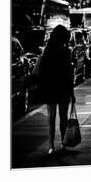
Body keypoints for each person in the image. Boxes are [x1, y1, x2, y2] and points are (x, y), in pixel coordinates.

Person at [38, 24, 75, 154]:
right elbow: (69, 73)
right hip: (63, 87)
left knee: (51, 118)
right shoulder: (66, 52)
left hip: (50, 87)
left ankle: (51, 146)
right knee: (63, 117)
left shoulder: (47, 50)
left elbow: (42, 70)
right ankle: (63, 143)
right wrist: (72, 92)